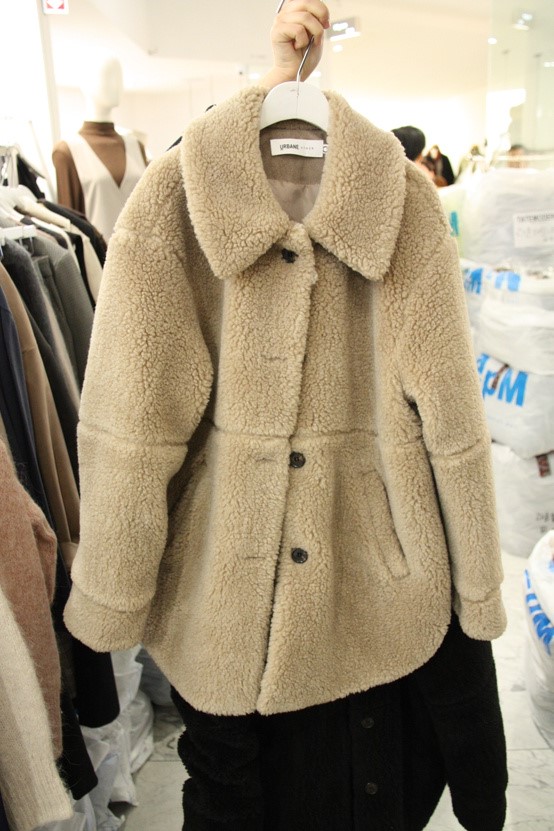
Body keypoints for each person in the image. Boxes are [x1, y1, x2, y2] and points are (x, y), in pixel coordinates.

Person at [64, 2, 508, 829]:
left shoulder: (404, 208)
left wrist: (476, 588)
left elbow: (452, 422)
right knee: (230, 782)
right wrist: (115, 587)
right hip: (218, 595)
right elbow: (132, 418)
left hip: (370, 587)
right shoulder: (172, 202)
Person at [52, 56, 148, 243]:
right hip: (99, 258)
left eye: (119, 77)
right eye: (107, 77)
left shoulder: (136, 146)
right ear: (85, 84)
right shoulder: (68, 151)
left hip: (144, 256)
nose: (117, 85)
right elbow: (71, 228)